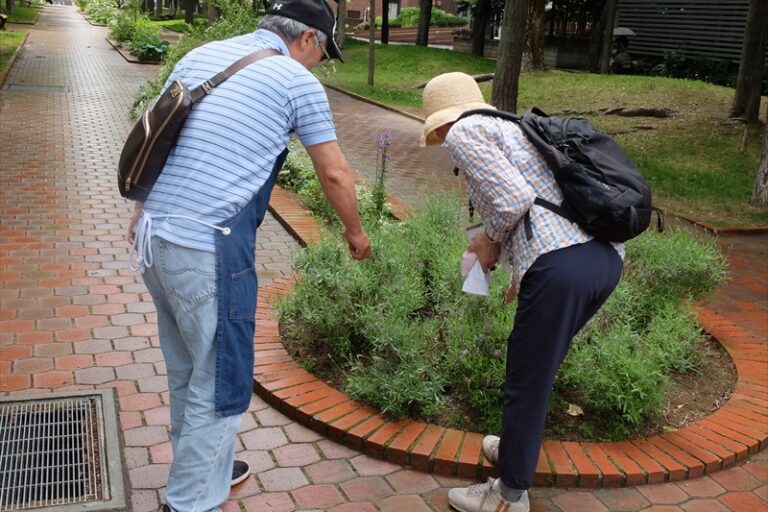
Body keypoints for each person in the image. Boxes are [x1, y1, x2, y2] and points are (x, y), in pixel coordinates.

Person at [126, 0, 372, 510]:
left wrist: (143, 209)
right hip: (207, 247)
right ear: (307, 38)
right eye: (323, 52)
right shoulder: (296, 80)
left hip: (154, 238)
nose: (318, 63)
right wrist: (355, 232)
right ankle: (188, 500)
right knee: (222, 381)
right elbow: (334, 173)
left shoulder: (203, 54)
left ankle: (207, 465)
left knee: (187, 369)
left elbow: (165, 138)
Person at [420, 72, 623, 512]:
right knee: (534, 370)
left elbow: (513, 201)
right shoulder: (511, 127)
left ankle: (509, 496)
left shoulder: (465, 131)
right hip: (600, 260)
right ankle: (513, 451)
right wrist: (520, 274)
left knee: (525, 382)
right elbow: (544, 205)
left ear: (439, 122)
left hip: (563, 268)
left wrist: (487, 243)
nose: (439, 142)